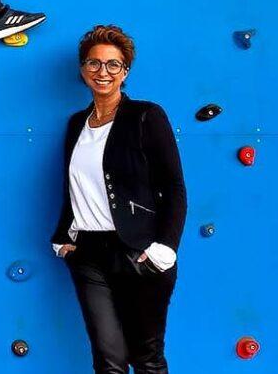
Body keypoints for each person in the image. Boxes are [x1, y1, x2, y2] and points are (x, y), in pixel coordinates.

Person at [51, 25, 187, 374]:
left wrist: (164, 249)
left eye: (113, 65)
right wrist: (63, 237)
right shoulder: (76, 124)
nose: (103, 72)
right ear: (83, 69)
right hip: (89, 255)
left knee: (147, 360)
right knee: (108, 361)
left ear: (125, 71)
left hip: (139, 252)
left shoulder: (146, 116)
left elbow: (173, 187)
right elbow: (73, 187)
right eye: (94, 64)